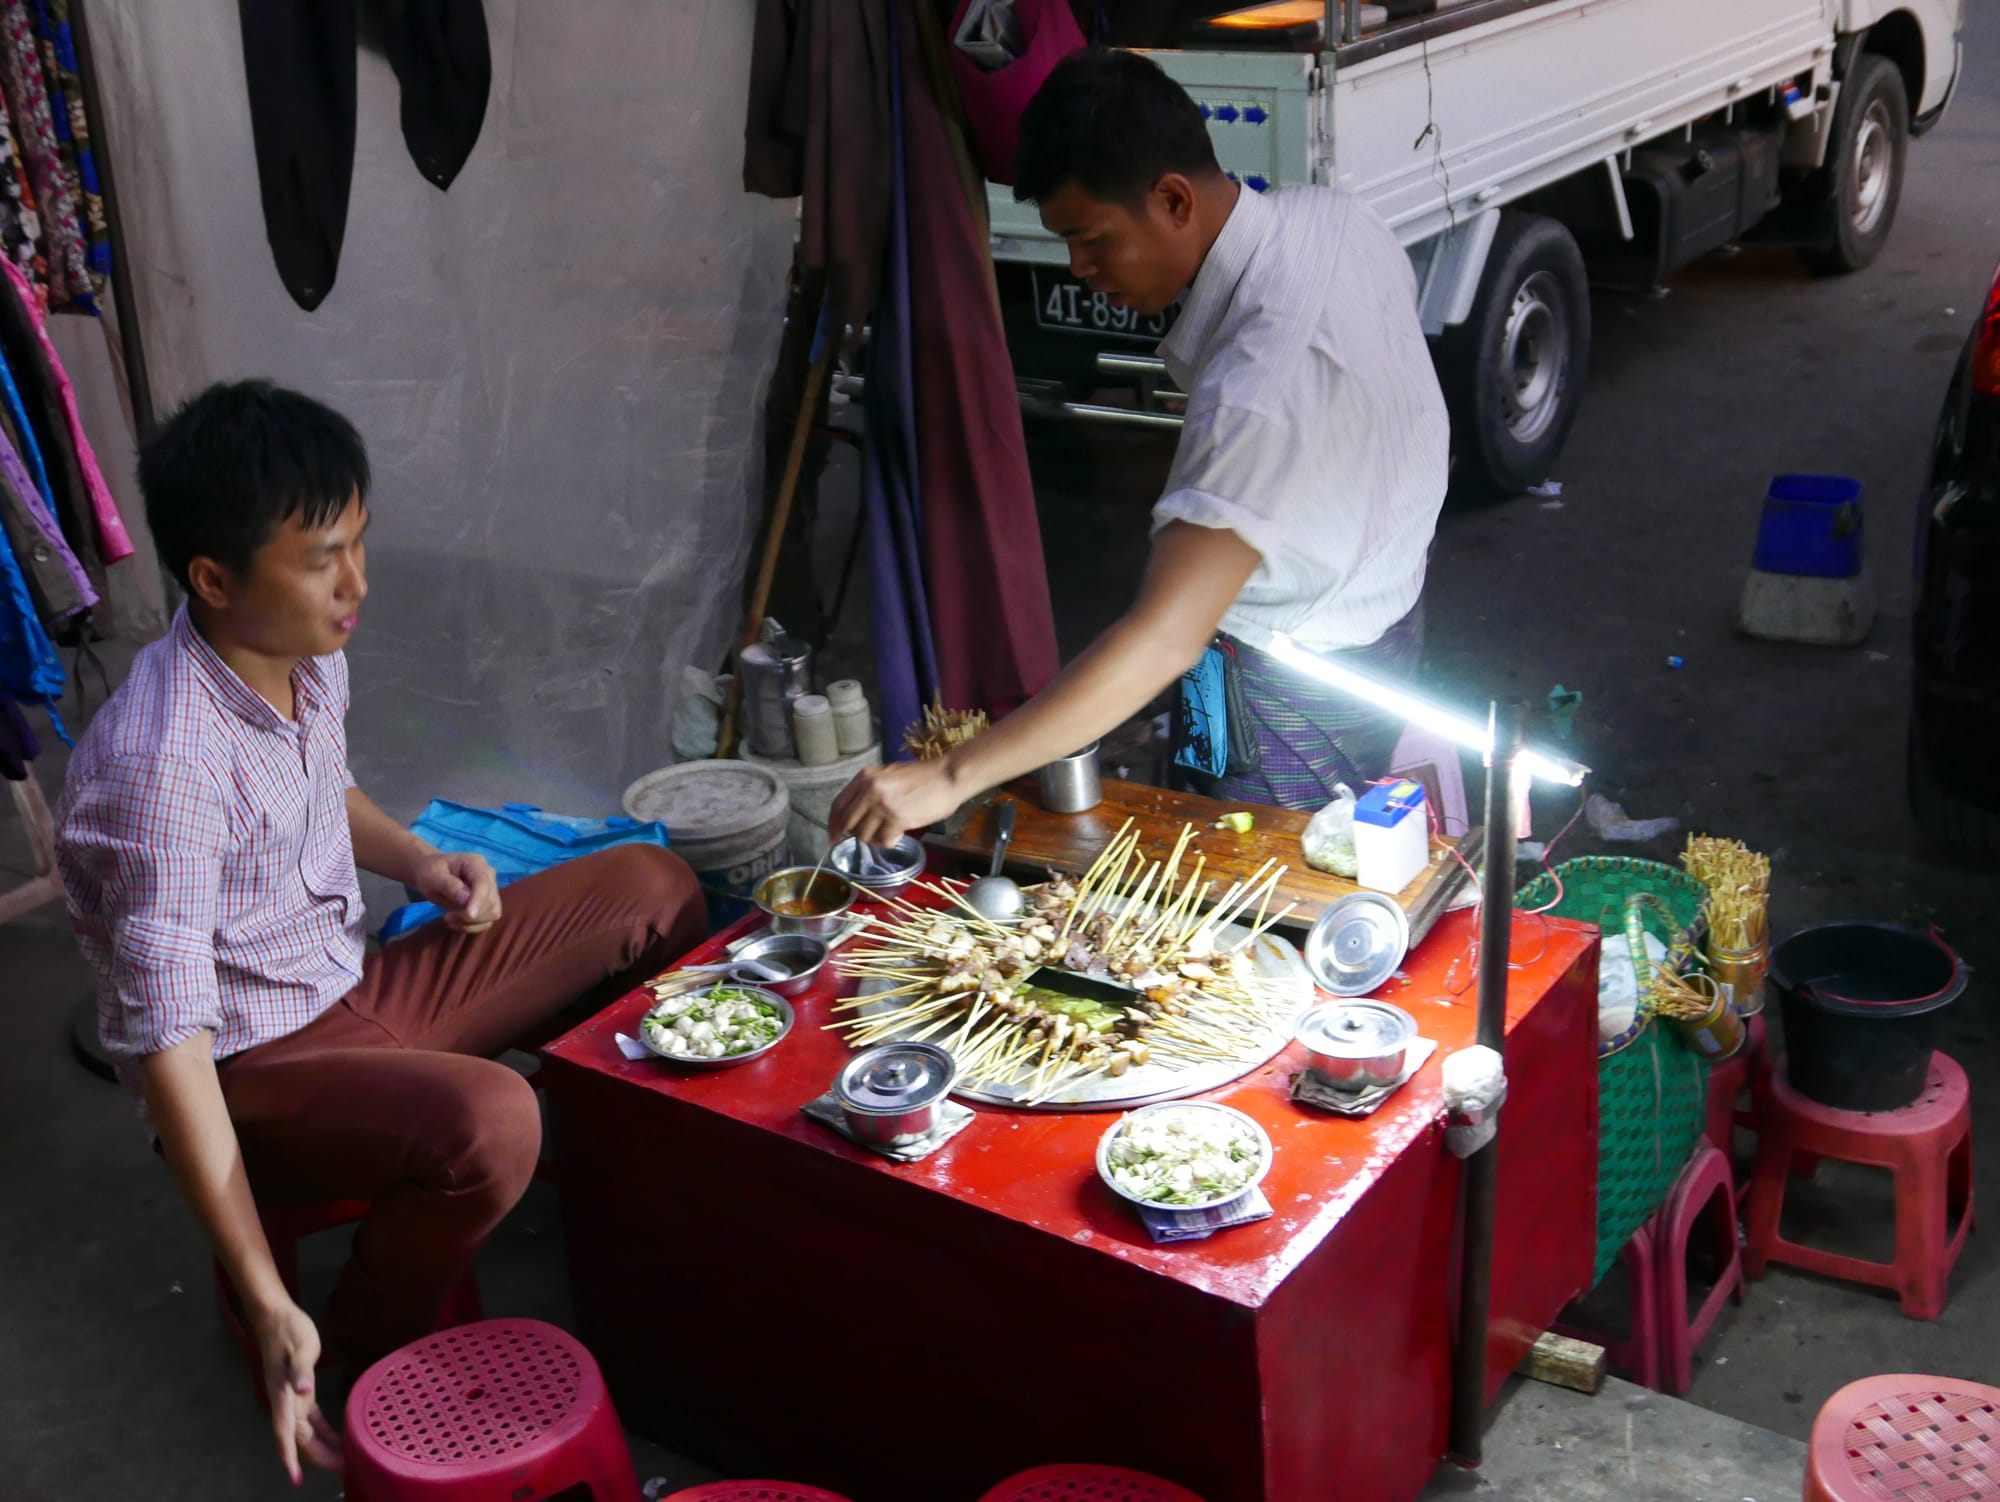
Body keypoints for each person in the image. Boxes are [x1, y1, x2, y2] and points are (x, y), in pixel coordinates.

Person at [55, 381, 705, 1485]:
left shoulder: (303, 650)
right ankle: (352, 1344)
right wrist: (269, 1301)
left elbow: (319, 787)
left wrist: (416, 861)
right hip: (252, 1068)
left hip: (358, 984)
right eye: (321, 559)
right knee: (494, 1119)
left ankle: (625, 1187)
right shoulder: (161, 762)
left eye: (358, 542)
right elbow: (172, 1054)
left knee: (650, 885)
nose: (356, 584)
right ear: (214, 579)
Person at [832, 48, 1449, 844]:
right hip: (1385, 616)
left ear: (1171, 199)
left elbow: (1164, 637)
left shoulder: (1261, 388)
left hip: (1283, 691)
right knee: (1320, 845)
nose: (1080, 268)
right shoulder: (1332, 217)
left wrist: (951, 775)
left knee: (1246, 880)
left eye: (1090, 238)